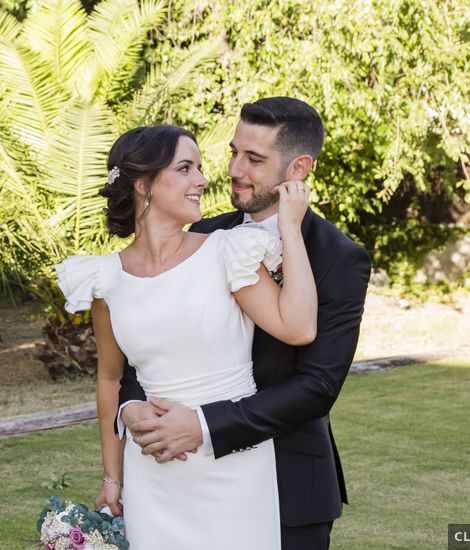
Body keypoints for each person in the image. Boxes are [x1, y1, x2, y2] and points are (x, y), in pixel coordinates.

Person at [116, 97, 372, 549]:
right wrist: (131, 406)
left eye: (254, 159)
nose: (234, 169)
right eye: (234, 152)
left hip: (288, 484)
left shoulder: (340, 258)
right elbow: (147, 338)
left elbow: (317, 385)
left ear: (299, 169)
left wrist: (205, 426)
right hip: (182, 479)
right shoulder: (202, 235)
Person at [55, 124, 318, 549]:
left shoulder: (226, 252)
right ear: (144, 184)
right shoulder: (104, 278)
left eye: (199, 167)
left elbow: (299, 327)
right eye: (185, 168)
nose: (203, 179)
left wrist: (290, 228)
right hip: (154, 474)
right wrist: (112, 477)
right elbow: (109, 379)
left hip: (234, 469)